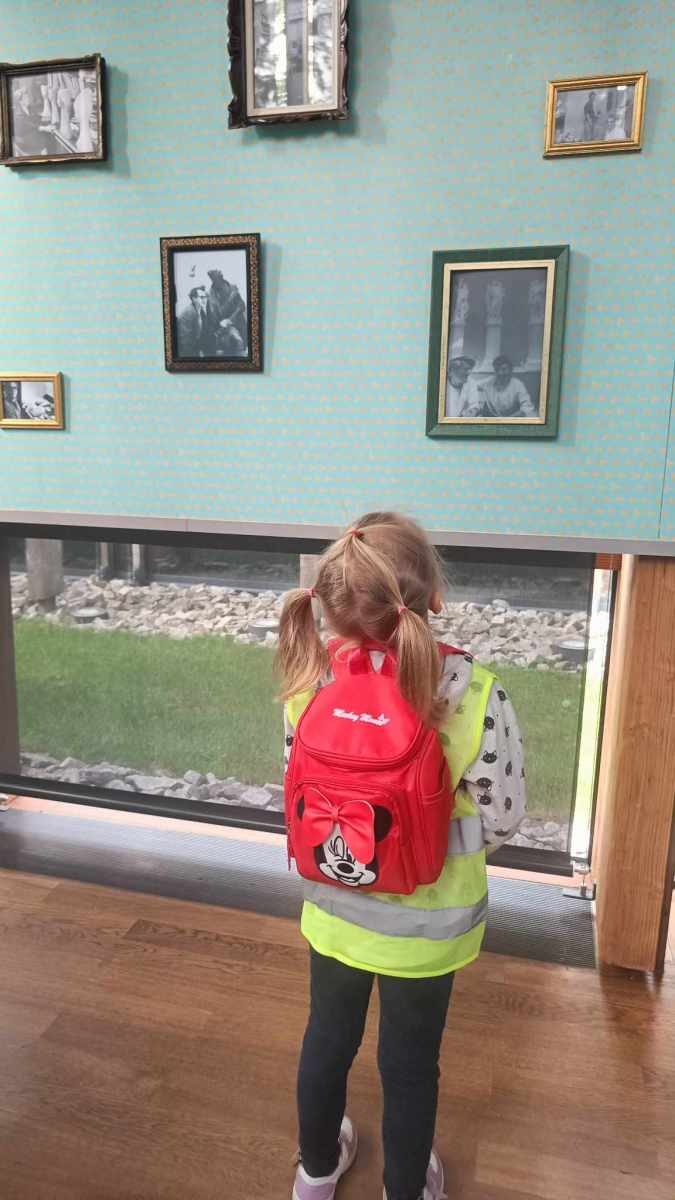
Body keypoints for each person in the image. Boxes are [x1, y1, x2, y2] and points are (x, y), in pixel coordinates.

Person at [277, 513, 526, 1200]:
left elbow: (296, 789)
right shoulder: (473, 692)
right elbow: (502, 816)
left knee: (327, 1041)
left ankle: (316, 1172)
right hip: (429, 928)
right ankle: (407, 1188)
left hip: (335, 913)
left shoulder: (311, 680)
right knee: (410, 1065)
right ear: (432, 598)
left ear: (329, 606)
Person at [176, 285, 215, 358]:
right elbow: (186, 341)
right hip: (187, 352)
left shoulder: (201, 311)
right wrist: (198, 353)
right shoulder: (188, 313)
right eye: (201, 297)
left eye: (206, 297)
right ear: (194, 299)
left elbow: (205, 333)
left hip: (198, 348)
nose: (205, 300)